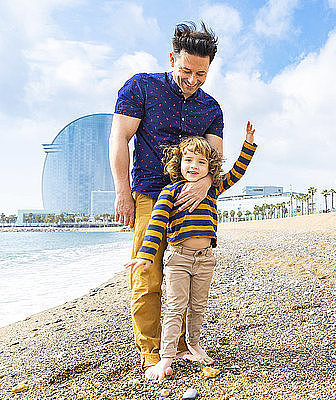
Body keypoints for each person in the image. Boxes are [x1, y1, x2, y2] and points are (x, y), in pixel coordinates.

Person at [108, 21, 223, 375]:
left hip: (191, 201)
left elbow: (215, 161)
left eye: (201, 74)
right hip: (147, 195)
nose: (192, 79)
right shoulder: (140, 87)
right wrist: (122, 193)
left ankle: (186, 344)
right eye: (186, 70)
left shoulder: (212, 108)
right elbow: (119, 139)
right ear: (173, 58)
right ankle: (152, 353)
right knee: (147, 274)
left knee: (187, 276)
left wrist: (205, 186)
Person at [125, 122, 257, 380]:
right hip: (178, 259)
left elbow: (238, 171)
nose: (193, 166)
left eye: (201, 162)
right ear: (179, 163)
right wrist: (144, 255)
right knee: (175, 307)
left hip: (205, 259)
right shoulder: (169, 192)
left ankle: (193, 345)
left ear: (210, 169)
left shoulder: (213, 188)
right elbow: (156, 226)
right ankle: (165, 357)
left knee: (197, 306)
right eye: (188, 160)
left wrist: (248, 144)